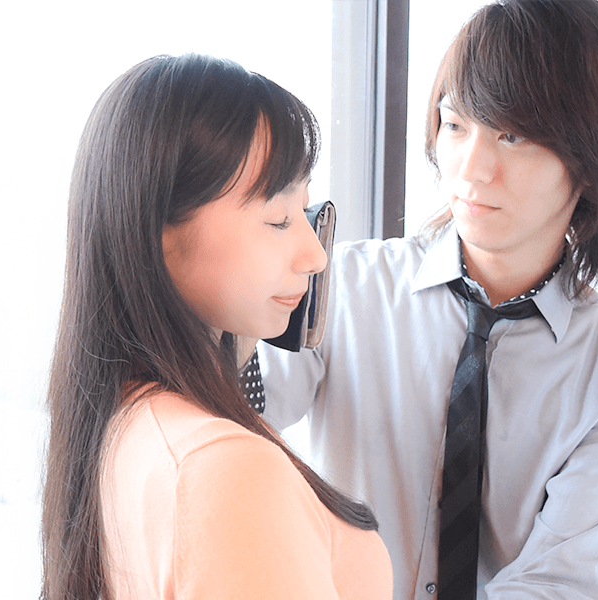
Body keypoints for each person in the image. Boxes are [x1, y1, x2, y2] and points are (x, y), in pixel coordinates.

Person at [254, 1, 598, 599]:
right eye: (454, 125)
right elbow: (240, 414)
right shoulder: (341, 284)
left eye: (512, 135)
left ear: (593, 162)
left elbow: (558, 584)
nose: (471, 170)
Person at [40, 54, 393, 600]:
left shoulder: (127, 417)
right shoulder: (227, 470)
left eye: (305, 212)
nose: (315, 255)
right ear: (158, 234)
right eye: (278, 219)